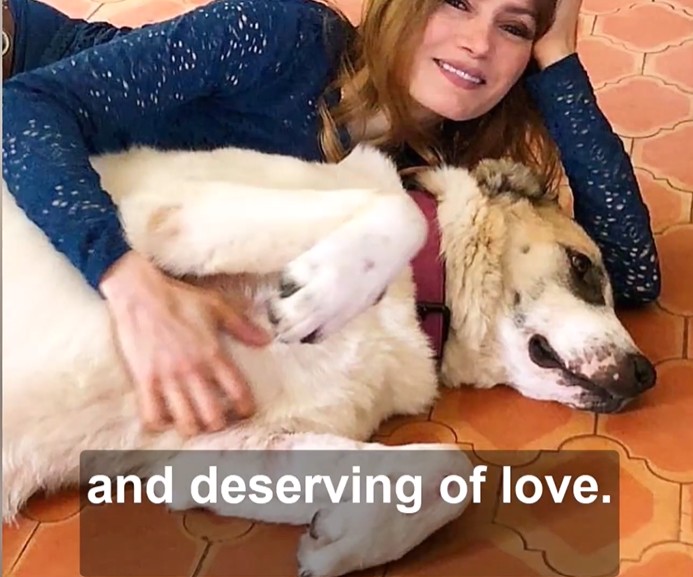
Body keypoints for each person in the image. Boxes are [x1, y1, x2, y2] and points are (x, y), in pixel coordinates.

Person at [2, 0, 660, 435]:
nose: (477, 43)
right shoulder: (282, 37)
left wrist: (559, 53)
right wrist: (126, 279)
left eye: (514, 28)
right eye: (456, 2)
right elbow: (24, 107)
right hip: (22, 57)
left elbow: (630, 274)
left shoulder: (434, 168)